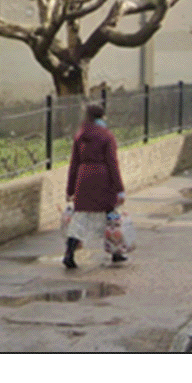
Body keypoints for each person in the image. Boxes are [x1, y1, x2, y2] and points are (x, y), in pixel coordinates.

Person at [64, 103, 126, 269]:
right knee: (110, 216)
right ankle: (116, 252)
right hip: (102, 178)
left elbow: (74, 163)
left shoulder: (80, 135)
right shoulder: (107, 136)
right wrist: (119, 189)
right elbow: (113, 163)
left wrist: (70, 189)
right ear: (102, 117)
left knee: (80, 218)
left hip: (83, 179)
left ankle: (69, 252)